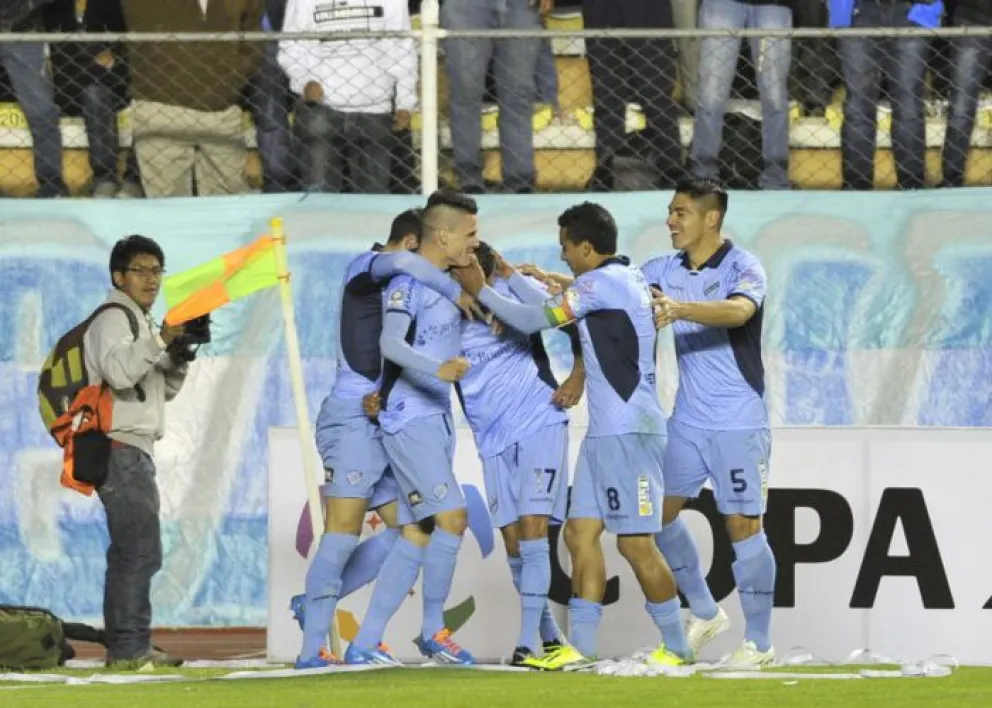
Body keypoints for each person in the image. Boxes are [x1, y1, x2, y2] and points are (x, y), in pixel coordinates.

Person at [452, 202, 689, 670]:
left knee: (636, 543)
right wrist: (508, 276)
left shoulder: (603, 283)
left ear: (585, 247)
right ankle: (581, 649)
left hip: (630, 431)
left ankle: (677, 646)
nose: (563, 258)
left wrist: (484, 289)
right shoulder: (618, 278)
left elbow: (540, 320)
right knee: (580, 536)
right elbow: (557, 310)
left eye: (566, 249)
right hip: (605, 433)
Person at [292, 207, 476, 668]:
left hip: (384, 418)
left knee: (411, 529)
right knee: (343, 529)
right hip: (351, 417)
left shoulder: (404, 291)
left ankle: (332, 616)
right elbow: (406, 265)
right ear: (415, 242)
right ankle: (312, 646)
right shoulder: (365, 266)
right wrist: (455, 289)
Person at [642, 177, 775, 667]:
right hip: (688, 421)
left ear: (710, 218)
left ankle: (760, 644)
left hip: (739, 418)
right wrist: (561, 284)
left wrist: (679, 309)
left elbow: (740, 312)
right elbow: (614, 290)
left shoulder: (744, 266)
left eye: (680, 213)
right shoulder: (663, 269)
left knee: (742, 524)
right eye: (670, 212)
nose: (671, 221)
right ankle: (704, 612)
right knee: (654, 516)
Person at [345, 190, 480, 665]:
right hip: (410, 415)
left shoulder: (447, 282)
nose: (474, 243)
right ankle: (433, 630)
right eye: (469, 234)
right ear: (441, 234)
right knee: (452, 519)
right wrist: (438, 370)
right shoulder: (407, 284)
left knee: (420, 530)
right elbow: (391, 343)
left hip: (433, 414)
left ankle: (365, 641)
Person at [454, 241, 583, 666]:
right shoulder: (445, 312)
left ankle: (526, 643)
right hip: (490, 437)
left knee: (532, 529)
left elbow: (574, 322)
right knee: (513, 543)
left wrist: (577, 377)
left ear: (484, 271)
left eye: (468, 269)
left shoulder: (514, 293)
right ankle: (550, 637)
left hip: (537, 419)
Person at [84, 235, 192, 668]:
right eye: (141, 271)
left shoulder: (139, 321)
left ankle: (132, 643)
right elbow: (119, 371)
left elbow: (158, 391)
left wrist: (179, 355)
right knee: (137, 550)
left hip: (132, 444)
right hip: (120, 444)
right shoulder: (115, 316)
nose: (152, 280)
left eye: (157, 271)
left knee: (136, 548)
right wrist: (162, 337)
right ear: (118, 276)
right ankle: (128, 649)